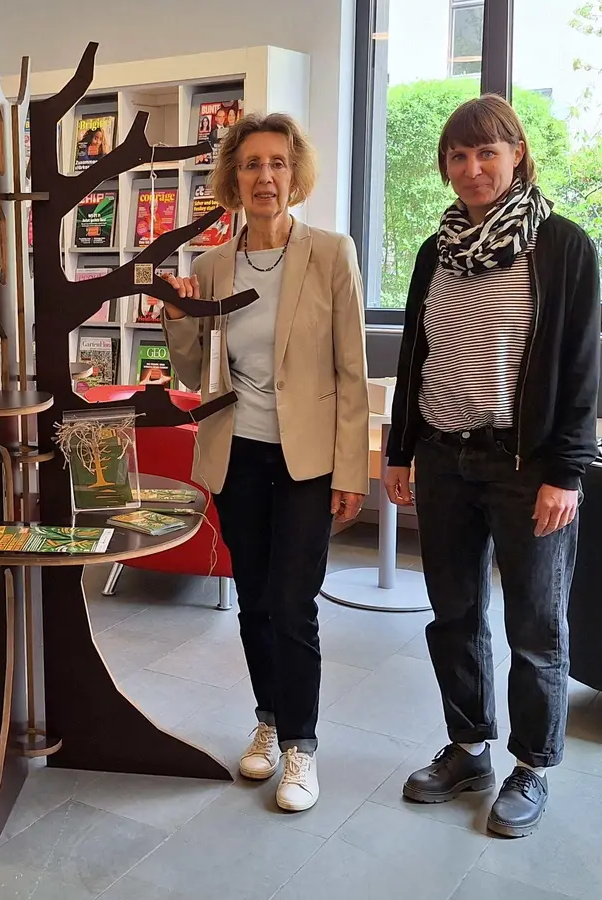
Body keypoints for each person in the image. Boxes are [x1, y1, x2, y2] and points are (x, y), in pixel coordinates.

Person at [384, 94, 600, 838]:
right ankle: (469, 746)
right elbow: (415, 358)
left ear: (516, 155)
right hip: (443, 456)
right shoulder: (434, 251)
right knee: (454, 614)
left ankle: (532, 765)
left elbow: (579, 370)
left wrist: (566, 473)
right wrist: (399, 450)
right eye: (457, 155)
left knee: (535, 625)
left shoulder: (563, 247)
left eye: (487, 152)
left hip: (526, 464)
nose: (472, 168)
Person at [161, 112, 369, 813]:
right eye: (251, 164)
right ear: (234, 178)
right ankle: (270, 720)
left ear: (295, 173)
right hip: (238, 452)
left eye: (278, 162)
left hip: (308, 460)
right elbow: (195, 370)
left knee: (292, 602)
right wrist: (178, 314)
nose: (265, 176)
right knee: (253, 600)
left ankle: (302, 746)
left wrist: (351, 471)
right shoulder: (213, 266)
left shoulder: (331, 253)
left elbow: (351, 370)